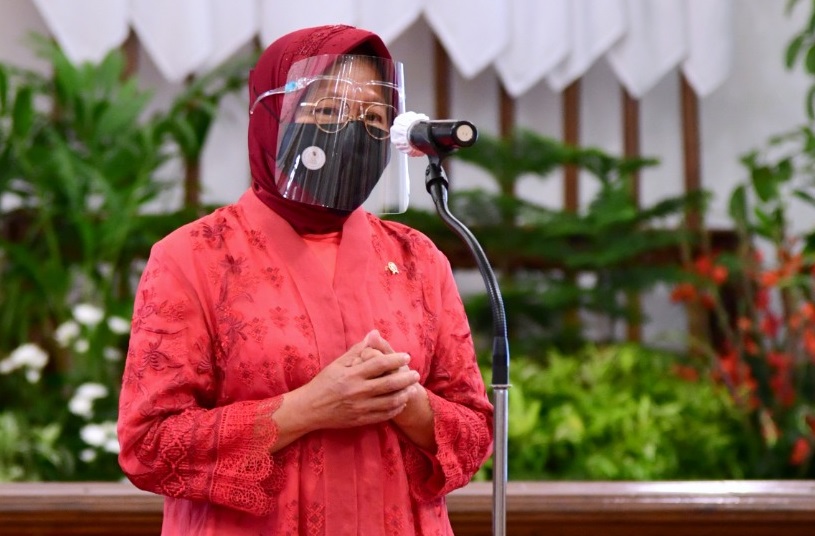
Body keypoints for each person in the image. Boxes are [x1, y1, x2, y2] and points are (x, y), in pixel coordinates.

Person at [117, 24, 494, 535]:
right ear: (271, 118)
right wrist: (305, 409)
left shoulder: (417, 259)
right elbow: (150, 446)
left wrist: (407, 402)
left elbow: (474, 436)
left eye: (373, 118)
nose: (352, 132)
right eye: (325, 112)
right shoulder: (193, 257)